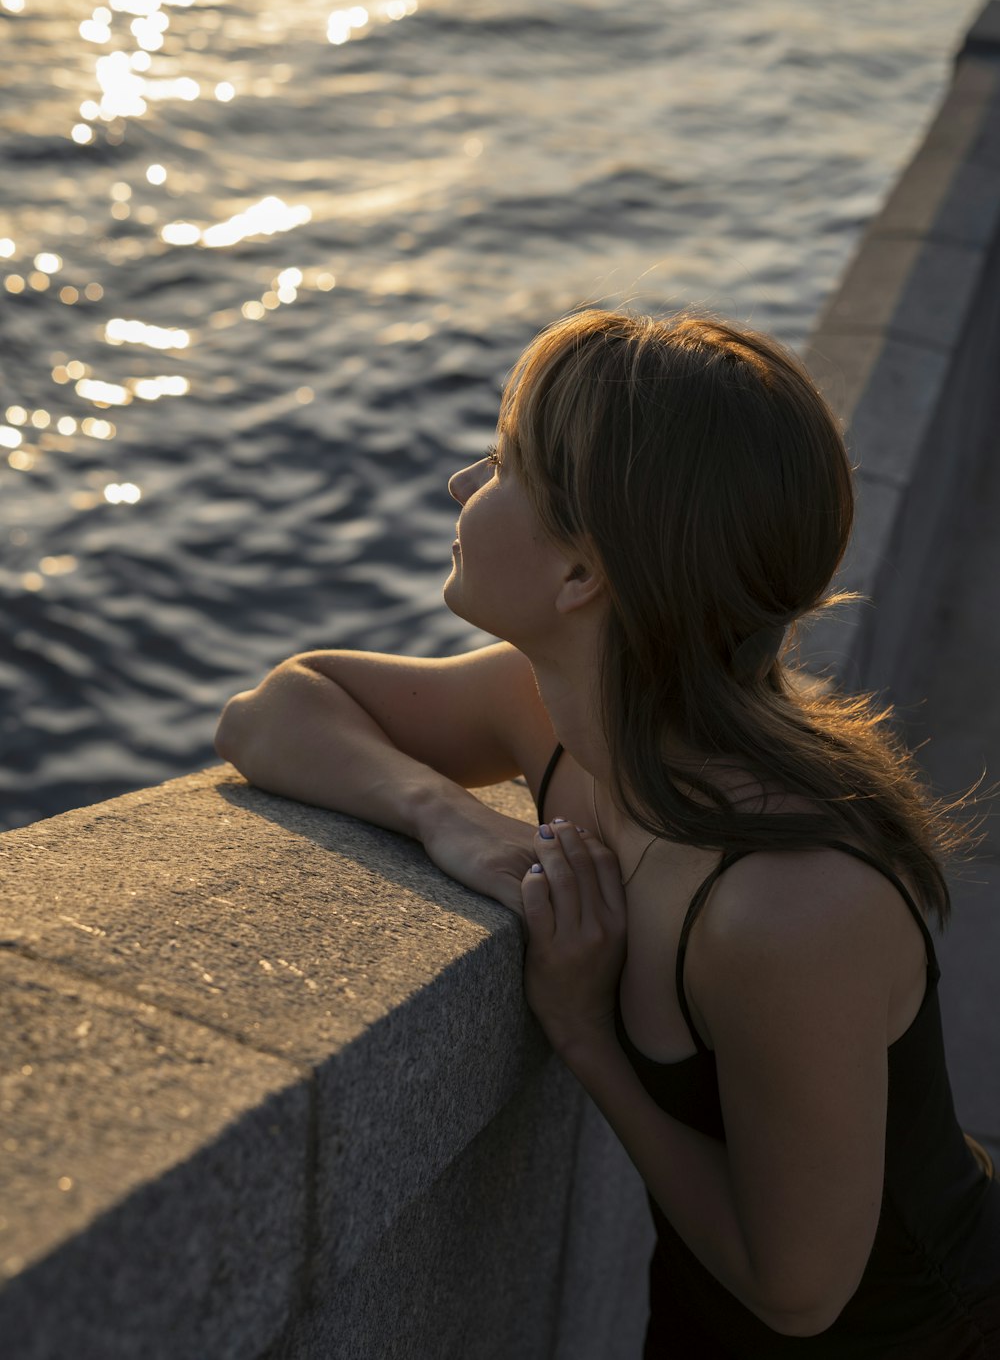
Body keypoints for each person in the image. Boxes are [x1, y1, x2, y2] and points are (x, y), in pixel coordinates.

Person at [215, 307, 1000, 1356]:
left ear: (582, 576)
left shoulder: (785, 903)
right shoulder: (547, 714)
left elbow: (800, 1289)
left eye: (502, 465)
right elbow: (271, 709)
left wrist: (585, 1037)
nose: (461, 484)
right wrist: (444, 817)